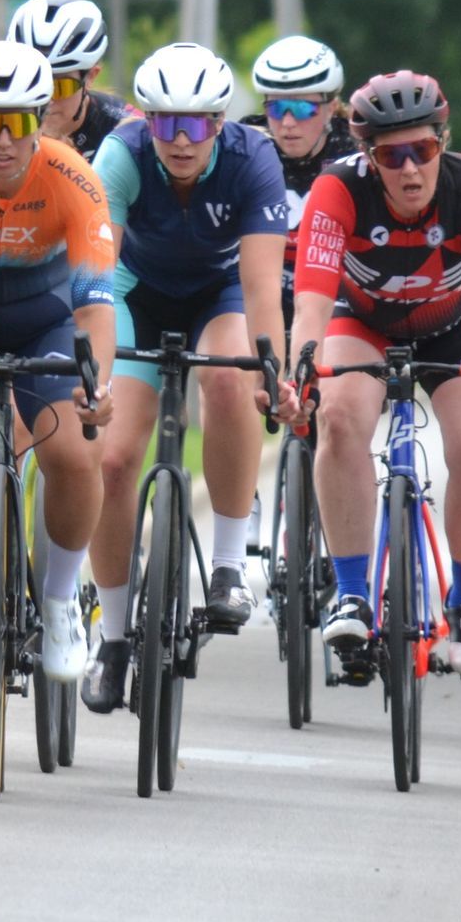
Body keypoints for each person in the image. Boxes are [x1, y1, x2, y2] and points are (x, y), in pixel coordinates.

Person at [79, 42, 296, 714]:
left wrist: (273, 372)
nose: (179, 139)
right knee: (113, 460)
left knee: (231, 380)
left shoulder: (253, 160)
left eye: (196, 123)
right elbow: (94, 272)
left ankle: (229, 561)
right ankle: (113, 639)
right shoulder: (119, 155)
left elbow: (262, 288)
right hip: (133, 292)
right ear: (145, 120)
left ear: (221, 124)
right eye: (165, 122)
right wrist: (95, 377)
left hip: (217, 293)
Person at [291, 71, 461, 678]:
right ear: (368, 156)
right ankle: (352, 592)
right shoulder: (336, 189)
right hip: (362, 323)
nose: (411, 169)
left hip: (453, 328)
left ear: (444, 142)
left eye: (424, 150)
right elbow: (311, 302)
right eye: (393, 155)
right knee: (338, 419)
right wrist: (302, 372)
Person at [0, 41, 116, 680]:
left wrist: (95, 386)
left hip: (45, 319)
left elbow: (97, 306)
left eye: (18, 123)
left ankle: (58, 598)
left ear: (39, 120)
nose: (2, 141)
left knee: (73, 451)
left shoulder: (72, 176)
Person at [239, 34, 358, 328]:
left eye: (304, 108)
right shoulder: (245, 147)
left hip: (335, 292)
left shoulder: (356, 149)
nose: (288, 123)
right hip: (262, 288)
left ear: (331, 106)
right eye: (276, 109)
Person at [7, 0, 133, 159]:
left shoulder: (126, 131)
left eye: (59, 87)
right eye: (31, 83)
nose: (45, 100)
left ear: (90, 77)